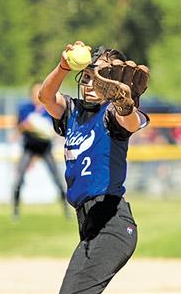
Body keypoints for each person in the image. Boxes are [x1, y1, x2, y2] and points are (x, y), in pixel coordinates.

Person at [38, 41, 150, 293]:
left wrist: (124, 104)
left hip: (111, 222)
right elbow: (45, 96)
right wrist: (63, 66)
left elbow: (130, 123)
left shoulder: (112, 113)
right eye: (87, 76)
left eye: (99, 77)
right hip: (88, 221)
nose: (90, 83)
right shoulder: (74, 113)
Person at [12, 82, 70, 220]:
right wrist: (25, 127)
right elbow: (18, 128)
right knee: (18, 179)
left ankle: (66, 210)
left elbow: (55, 130)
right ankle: (15, 211)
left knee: (57, 178)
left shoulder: (49, 108)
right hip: (29, 148)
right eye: (35, 92)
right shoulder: (25, 108)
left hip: (45, 148)